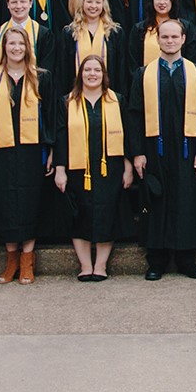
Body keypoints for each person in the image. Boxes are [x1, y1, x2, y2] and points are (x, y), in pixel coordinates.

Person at [128, 18, 196, 280]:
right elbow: (134, 114)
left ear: (183, 39)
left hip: (188, 149)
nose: (169, 41)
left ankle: (186, 258)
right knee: (155, 200)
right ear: (158, 40)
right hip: (154, 148)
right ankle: (157, 259)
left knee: (186, 201)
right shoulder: (143, 74)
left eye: (174, 37)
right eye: (164, 37)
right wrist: (137, 152)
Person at [0, 26, 55, 285]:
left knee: (30, 202)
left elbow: (49, 115)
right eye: (11, 44)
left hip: (32, 152)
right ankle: (11, 259)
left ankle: (27, 259)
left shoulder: (41, 77)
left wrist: (51, 150)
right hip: (1, 152)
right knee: (4, 203)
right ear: (3, 47)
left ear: (28, 48)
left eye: (20, 44)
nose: (15, 48)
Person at [57, 53, 132, 282]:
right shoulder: (67, 102)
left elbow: (128, 136)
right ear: (80, 74)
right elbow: (60, 138)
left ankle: (100, 265)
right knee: (79, 214)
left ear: (104, 74)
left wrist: (128, 167)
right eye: (87, 70)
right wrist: (60, 169)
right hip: (77, 169)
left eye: (97, 70)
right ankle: (85, 265)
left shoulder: (116, 100)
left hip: (109, 168)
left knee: (107, 213)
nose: (92, 74)